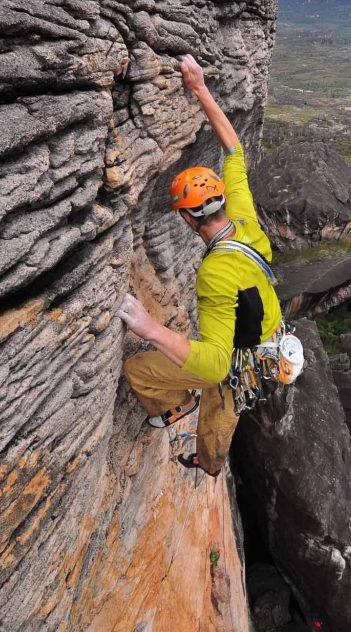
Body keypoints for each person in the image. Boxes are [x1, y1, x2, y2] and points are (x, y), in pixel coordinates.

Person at [116, 54, 282, 477]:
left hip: (238, 362)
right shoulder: (245, 219)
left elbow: (215, 365)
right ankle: (193, 420)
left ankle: (206, 462)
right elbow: (234, 149)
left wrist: (149, 329)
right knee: (219, 410)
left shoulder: (214, 274)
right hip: (267, 340)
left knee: (147, 374)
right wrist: (200, 88)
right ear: (223, 200)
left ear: (186, 219)